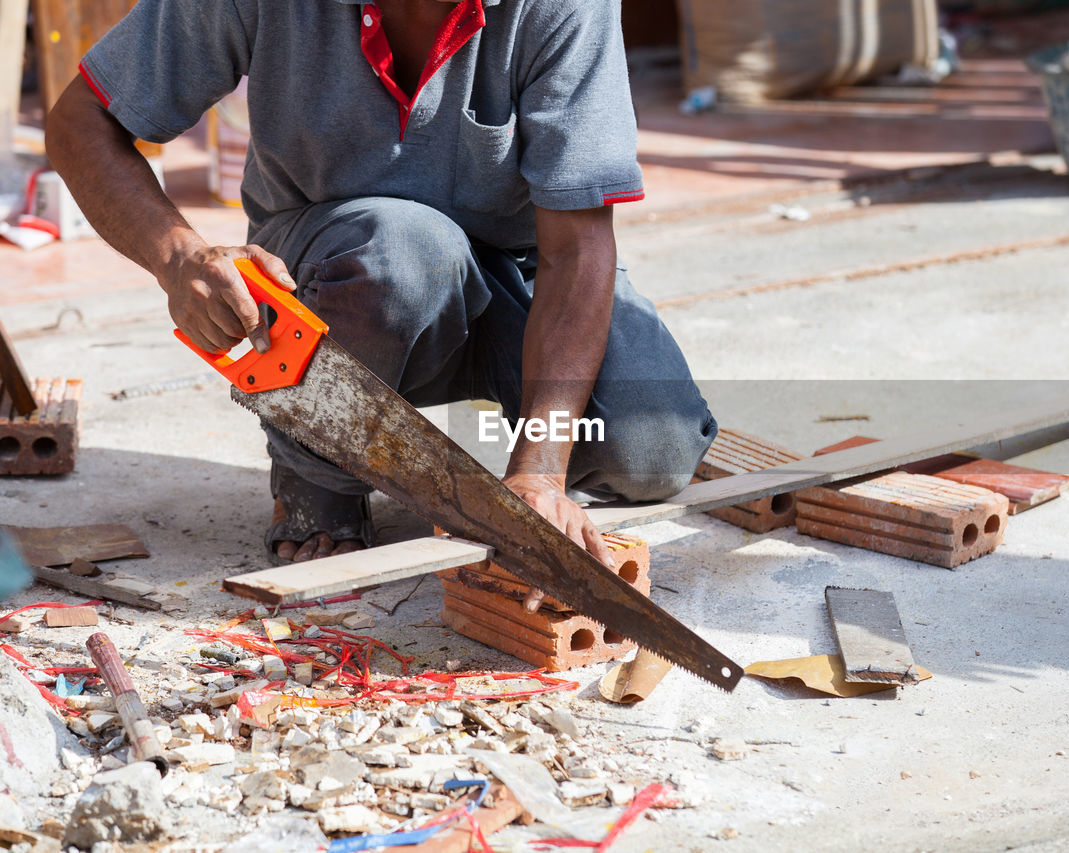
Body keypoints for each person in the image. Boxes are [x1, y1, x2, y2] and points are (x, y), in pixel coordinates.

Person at [46, 0, 717, 603]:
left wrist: (540, 469)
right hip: (345, 269)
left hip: (522, 270)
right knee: (406, 254)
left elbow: (575, 249)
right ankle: (317, 469)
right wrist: (179, 257)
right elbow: (83, 121)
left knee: (652, 447)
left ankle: (477, 435)